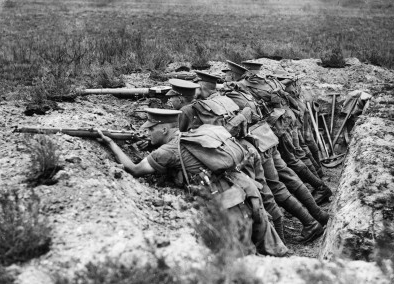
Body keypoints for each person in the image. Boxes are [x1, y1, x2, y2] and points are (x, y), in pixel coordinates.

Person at [97, 108, 288, 256]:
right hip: (245, 189)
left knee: (244, 256)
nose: (146, 132)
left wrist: (110, 143)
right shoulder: (190, 136)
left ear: (164, 129)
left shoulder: (167, 152)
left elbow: (134, 169)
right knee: (272, 248)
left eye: (150, 129)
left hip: (228, 204)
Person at [169, 73, 328, 243]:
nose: (170, 102)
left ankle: (291, 237)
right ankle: (316, 217)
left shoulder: (188, 110)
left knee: (268, 193)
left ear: (180, 97)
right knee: (282, 182)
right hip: (261, 138)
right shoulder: (222, 98)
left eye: (172, 98)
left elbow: (182, 140)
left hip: (246, 149)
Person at [225, 60, 332, 205]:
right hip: (285, 118)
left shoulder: (244, 86)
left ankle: (320, 187)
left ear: (233, 75)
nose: (225, 77)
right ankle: (318, 181)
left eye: (228, 73)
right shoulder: (267, 80)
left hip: (279, 124)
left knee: (293, 159)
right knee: (297, 154)